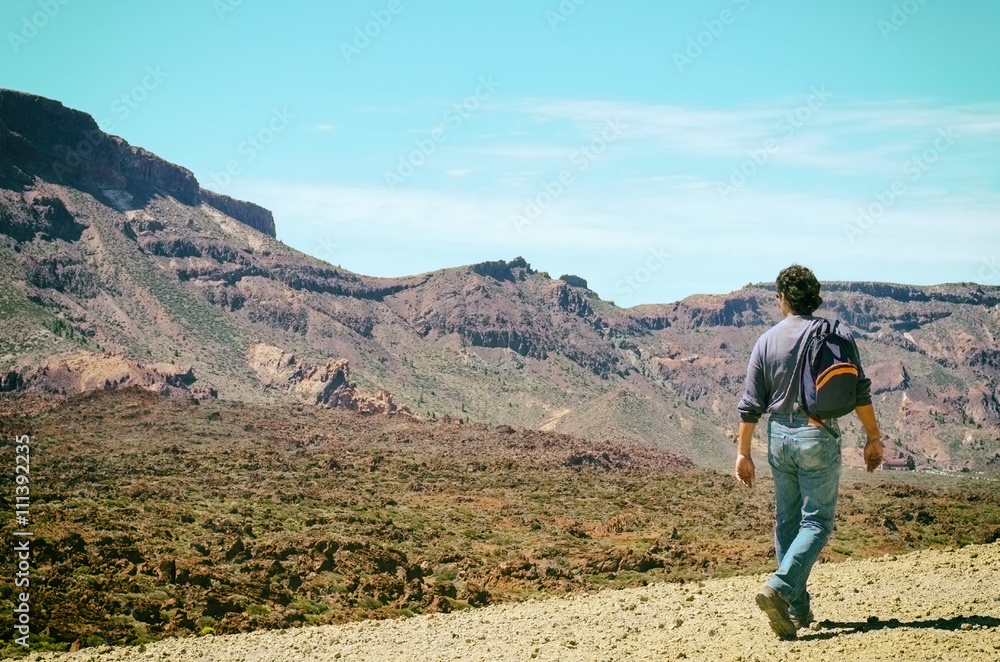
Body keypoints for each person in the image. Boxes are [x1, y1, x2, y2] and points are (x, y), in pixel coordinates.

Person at [734, 264, 883, 641]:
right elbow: (859, 390)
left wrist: (743, 453)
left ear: (782, 298)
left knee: (787, 521)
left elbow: (750, 404)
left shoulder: (765, 341)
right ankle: (781, 590)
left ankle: (799, 612)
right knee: (816, 523)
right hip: (817, 434)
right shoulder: (831, 333)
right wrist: (873, 437)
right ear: (814, 298)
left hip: (779, 435)